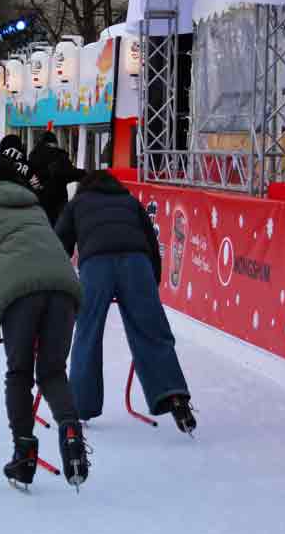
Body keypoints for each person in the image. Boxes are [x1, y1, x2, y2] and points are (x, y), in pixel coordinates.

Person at [0, 157, 88, 490]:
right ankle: (71, 431)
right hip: (64, 290)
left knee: (19, 374)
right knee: (53, 371)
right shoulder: (34, 208)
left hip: (18, 297)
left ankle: (24, 454)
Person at [54, 170, 196, 434]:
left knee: (88, 333)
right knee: (152, 331)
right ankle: (174, 396)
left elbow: (58, 243)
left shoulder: (78, 204)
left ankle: (80, 407)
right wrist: (150, 284)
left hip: (96, 266)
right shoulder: (130, 201)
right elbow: (152, 243)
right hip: (136, 264)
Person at [28, 131, 86, 226]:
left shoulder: (32, 157)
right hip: (57, 207)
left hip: (38, 207)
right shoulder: (59, 156)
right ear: (54, 143)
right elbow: (71, 173)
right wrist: (87, 173)